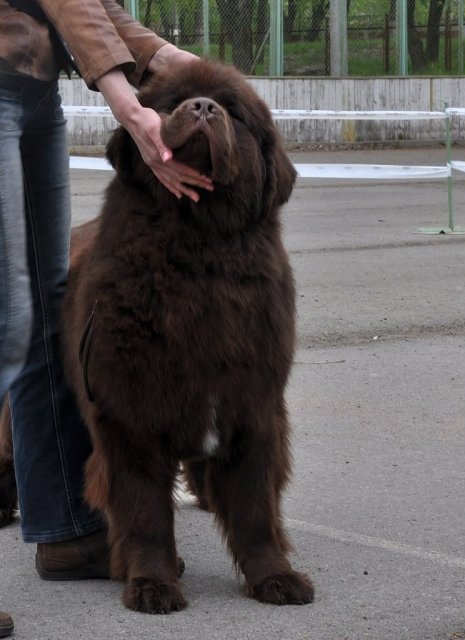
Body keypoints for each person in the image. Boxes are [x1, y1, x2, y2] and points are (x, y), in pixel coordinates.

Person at [0, 0, 214, 630]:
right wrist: (126, 97)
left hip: (33, 86)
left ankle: (66, 529)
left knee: (44, 312)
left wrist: (165, 57)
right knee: (8, 318)